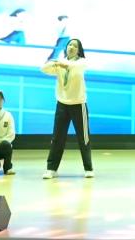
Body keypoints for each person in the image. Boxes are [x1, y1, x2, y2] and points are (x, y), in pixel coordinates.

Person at [41, 39, 93, 179]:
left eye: (75, 46)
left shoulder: (82, 62)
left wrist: (61, 63)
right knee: (57, 138)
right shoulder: (61, 62)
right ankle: (51, 169)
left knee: (84, 138)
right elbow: (44, 68)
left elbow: (74, 67)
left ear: (79, 50)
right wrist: (56, 62)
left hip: (79, 104)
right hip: (62, 104)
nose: (71, 47)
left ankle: (88, 168)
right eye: (70, 45)